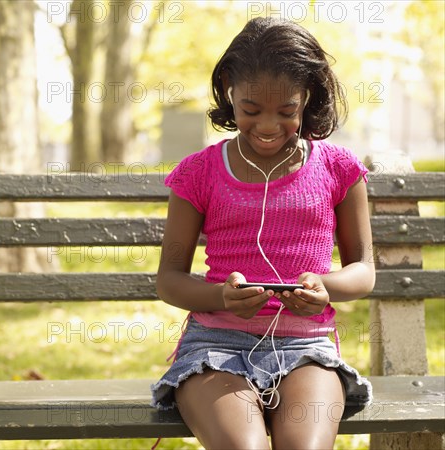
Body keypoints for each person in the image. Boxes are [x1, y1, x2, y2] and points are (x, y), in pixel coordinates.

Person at [151, 17, 375, 450]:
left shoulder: (338, 169)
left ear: (307, 96)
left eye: (286, 111)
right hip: (214, 348)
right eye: (251, 110)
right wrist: (221, 296)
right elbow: (169, 280)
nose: (268, 126)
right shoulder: (199, 172)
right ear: (229, 89)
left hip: (306, 346)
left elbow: (363, 270)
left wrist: (324, 288)